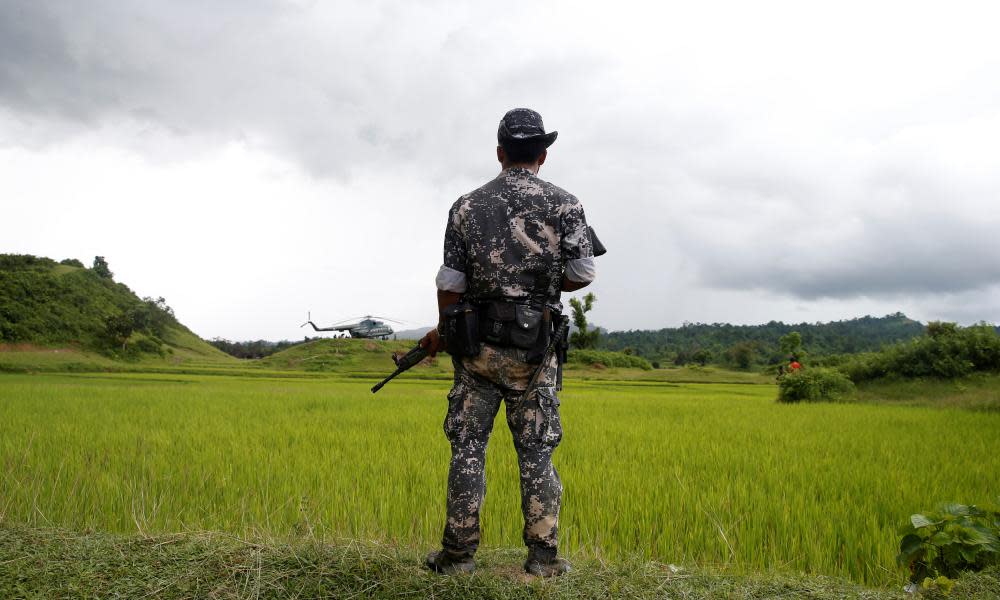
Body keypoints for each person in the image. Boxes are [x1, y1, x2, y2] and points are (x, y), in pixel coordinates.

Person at [419, 108, 596, 577]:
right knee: (536, 450)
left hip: (477, 345)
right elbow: (582, 274)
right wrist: (541, 283)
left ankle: (458, 557)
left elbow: (450, 283)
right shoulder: (566, 204)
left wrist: (449, 331)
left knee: (468, 448)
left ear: (500, 153)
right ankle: (543, 558)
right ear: (543, 154)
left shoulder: (466, 205)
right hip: (535, 348)